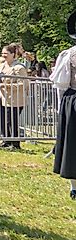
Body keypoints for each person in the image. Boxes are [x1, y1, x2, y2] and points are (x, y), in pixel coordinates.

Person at [51, 11, 76, 199]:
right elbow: (61, 83)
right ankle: (74, 185)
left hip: (71, 100)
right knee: (72, 143)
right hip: (73, 101)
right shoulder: (69, 55)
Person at [0, 44, 29, 149]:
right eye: (2, 53)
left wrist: (5, 85)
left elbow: (22, 84)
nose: (4, 55)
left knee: (11, 121)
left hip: (14, 100)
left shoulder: (19, 68)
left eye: (6, 53)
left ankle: (15, 143)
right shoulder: (1, 66)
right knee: (1, 119)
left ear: (13, 54)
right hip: (0, 98)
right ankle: (6, 140)